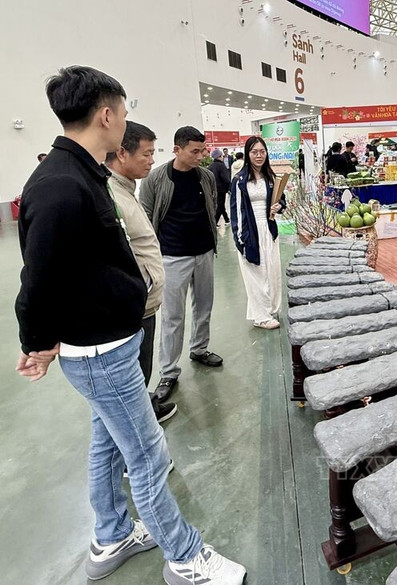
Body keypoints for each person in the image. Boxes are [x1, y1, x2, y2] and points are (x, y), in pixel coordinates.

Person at [14, 65, 245, 585]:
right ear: (106, 114)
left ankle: (111, 536)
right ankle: (186, 558)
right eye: (122, 111)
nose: (125, 121)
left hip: (108, 342)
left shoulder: (84, 173)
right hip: (99, 351)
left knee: (107, 444)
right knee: (147, 455)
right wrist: (38, 342)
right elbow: (38, 279)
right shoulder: (59, 184)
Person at [140, 126, 223, 403]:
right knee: (173, 316)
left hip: (204, 252)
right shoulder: (156, 179)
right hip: (172, 256)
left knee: (204, 305)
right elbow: (146, 217)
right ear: (177, 149)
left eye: (203, 150)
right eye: (194, 151)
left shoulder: (206, 177)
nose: (201, 156)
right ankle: (169, 371)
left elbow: (211, 207)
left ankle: (199, 348)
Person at [105, 121, 175, 423]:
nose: (151, 160)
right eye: (146, 154)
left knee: (141, 372)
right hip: (133, 307)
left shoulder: (126, 189)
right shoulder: (110, 196)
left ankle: (144, 406)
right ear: (122, 153)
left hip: (144, 304)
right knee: (134, 375)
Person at [230, 137, 285, 330]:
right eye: (254, 152)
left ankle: (268, 309)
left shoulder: (270, 177)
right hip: (250, 232)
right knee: (255, 273)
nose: (259, 155)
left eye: (262, 151)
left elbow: (281, 200)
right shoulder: (239, 180)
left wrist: (278, 207)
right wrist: (241, 240)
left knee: (271, 272)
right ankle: (261, 317)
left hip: (268, 229)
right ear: (247, 154)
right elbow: (236, 212)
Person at [208, 148, 231, 225]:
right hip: (221, 189)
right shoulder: (221, 166)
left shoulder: (210, 166)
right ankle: (214, 222)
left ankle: (227, 219)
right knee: (220, 205)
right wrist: (228, 188)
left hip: (213, 189)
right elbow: (226, 179)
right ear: (219, 156)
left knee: (220, 205)